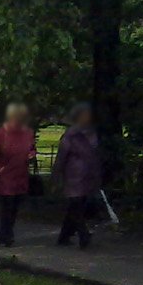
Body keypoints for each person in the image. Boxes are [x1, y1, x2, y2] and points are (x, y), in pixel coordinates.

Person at [53, 102, 103, 248]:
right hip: (74, 176)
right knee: (76, 206)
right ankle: (83, 235)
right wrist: (56, 174)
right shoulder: (71, 135)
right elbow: (62, 156)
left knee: (76, 206)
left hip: (89, 175)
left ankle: (64, 236)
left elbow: (95, 154)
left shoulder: (92, 133)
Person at [0, 103, 36, 247]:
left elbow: (32, 148)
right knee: (8, 205)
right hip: (5, 177)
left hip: (20, 175)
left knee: (15, 207)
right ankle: (7, 235)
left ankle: (5, 233)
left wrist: (31, 155)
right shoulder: (1, 134)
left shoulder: (27, 133)